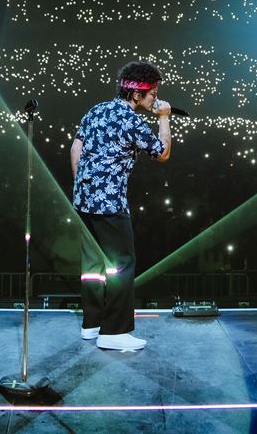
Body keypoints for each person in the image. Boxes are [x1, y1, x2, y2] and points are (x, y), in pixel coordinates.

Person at [71, 61, 172, 351]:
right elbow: (162, 153)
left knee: (92, 267)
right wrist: (164, 118)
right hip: (111, 206)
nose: (155, 98)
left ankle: (91, 325)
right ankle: (113, 331)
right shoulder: (131, 121)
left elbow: (76, 147)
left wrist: (83, 186)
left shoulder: (96, 110)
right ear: (137, 94)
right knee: (121, 266)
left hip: (84, 202)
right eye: (153, 93)